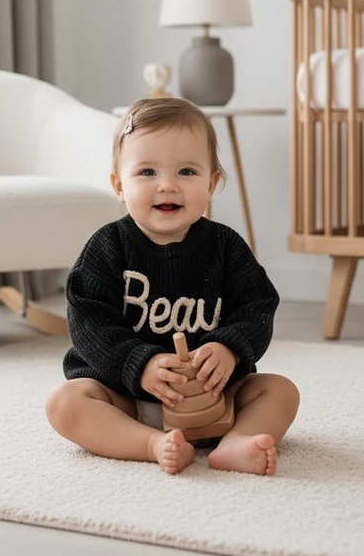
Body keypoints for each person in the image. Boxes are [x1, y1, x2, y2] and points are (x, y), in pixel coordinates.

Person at [46, 98, 299, 476]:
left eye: (186, 171)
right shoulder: (107, 247)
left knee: (281, 391)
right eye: (147, 172)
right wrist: (140, 364)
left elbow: (257, 307)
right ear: (119, 185)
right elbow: (88, 323)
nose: (167, 185)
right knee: (64, 403)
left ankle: (235, 442)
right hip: (126, 397)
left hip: (213, 400)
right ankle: (150, 444)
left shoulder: (225, 246)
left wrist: (228, 349)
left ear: (212, 184)